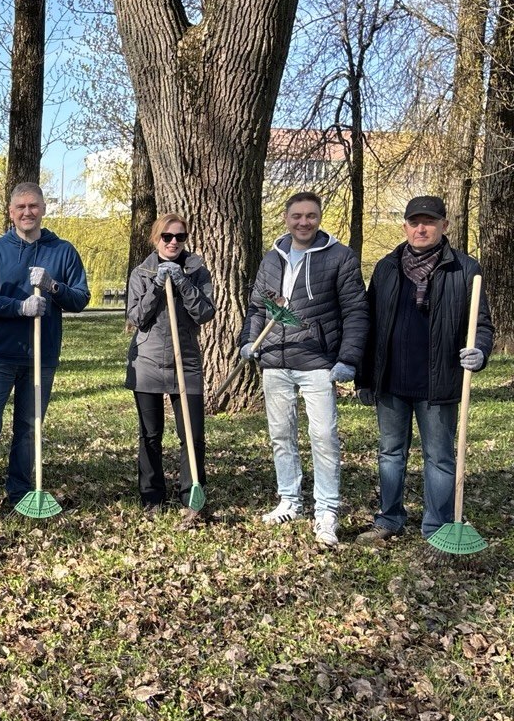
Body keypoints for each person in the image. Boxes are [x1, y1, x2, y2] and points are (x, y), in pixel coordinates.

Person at [355, 196, 493, 547]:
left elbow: (481, 325)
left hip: (439, 382)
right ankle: (389, 518)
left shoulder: (465, 269)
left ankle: (437, 527)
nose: (421, 228)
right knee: (390, 453)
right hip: (390, 382)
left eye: (429, 222)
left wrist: (479, 351)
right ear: (405, 226)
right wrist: (364, 377)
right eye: (414, 222)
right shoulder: (387, 268)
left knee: (440, 457)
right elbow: (369, 326)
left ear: (444, 225)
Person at [238, 191, 368, 547]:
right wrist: (249, 341)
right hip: (275, 360)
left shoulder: (340, 257)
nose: (304, 222)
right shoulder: (272, 258)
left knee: (323, 436)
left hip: (318, 363)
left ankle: (326, 510)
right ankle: (289, 500)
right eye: (297, 216)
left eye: (311, 215)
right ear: (286, 218)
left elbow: (356, 311)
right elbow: (258, 308)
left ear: (319, 217)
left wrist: (348, 359)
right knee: (281, 435)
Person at [0, 182, 89, 519]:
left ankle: (20, 494)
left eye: (33, 206)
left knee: (29, 430)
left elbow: (80, 298)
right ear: (11, 212)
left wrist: (53, 286)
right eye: (21, 207)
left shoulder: (62, 251)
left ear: (43, 208)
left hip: (41, 357)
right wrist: (19, 307)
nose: (27, 212)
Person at [124, 213, 214, 523]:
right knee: (150, 434)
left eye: (180, 236)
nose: (173, 242)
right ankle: (152, 496)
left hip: (185, 361)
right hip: (147, 361)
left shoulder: (197, 271)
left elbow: (205, 313)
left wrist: (182, 283)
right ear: (156, 238)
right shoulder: (142, 272)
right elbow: (136, 317)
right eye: (167, 236)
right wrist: (158, 285)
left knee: (192, 434)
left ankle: (192, 495)